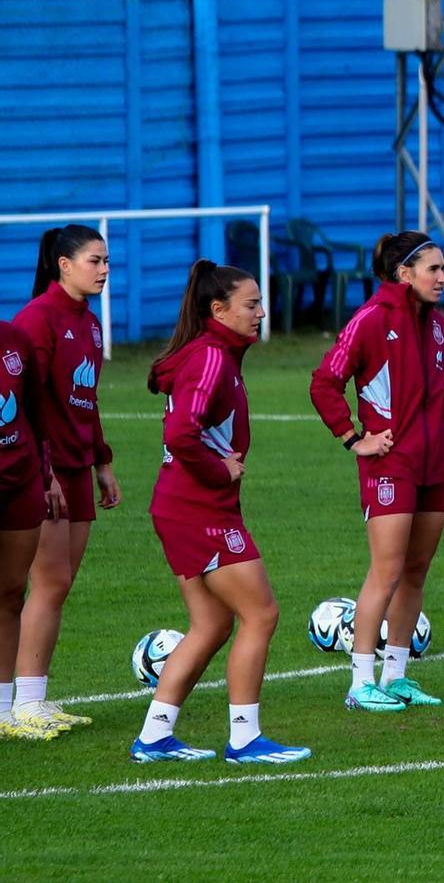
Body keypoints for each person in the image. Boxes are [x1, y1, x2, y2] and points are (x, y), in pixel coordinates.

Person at [131, 262, 308, 764]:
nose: (260, 312)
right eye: (250, 304)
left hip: (184, 507)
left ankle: (155, 735)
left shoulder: (215, 354)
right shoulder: (211, 357)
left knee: (210, 625)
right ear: (218, 310)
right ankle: (245, 739)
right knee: (262, 613)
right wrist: (219, 471)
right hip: (198, 509)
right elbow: (180, 434)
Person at [309, 231, 444, 713]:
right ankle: (361, 682)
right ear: (404, 274)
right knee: (388, 570)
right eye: (433, 269)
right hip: (390, 465)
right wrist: (356, 439)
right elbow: (324, 383)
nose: (443, 278)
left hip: (433, 465)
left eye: (443, 269)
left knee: (416, 571)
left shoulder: (439, 326)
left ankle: (396, 676)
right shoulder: (371, 321)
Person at [9, 223, 115, 735]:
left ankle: (35, 696)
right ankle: (23, 703)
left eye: (106, 260)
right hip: (44, 471)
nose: (104, 269)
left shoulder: (89, 323)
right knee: (47, 583)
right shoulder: (37, 320)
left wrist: (102, 461)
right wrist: (44, 472)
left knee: (60, 584)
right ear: (63, 264)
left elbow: (84, 400)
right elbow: (27, 408)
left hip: (75, 467)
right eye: (94, 260)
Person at [0, 313, 57, 741]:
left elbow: (37, 418)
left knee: (10, 593)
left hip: (20, 481)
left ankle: (4, 711)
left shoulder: (14, 341)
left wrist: (47, 474)